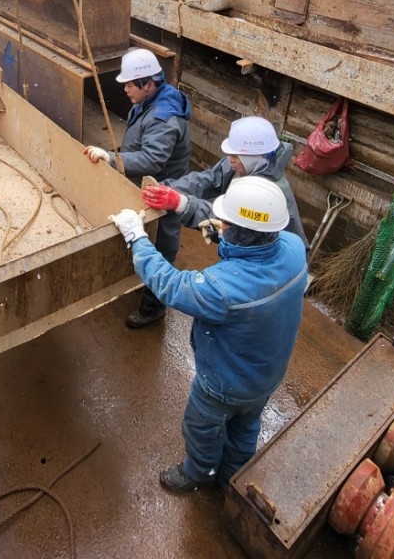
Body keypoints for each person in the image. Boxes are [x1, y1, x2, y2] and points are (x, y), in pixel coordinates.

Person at [109, 177, 307, 492]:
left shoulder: (222, 288)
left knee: (200, 427)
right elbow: (257, 252)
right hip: (267, 376)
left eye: (227, 223)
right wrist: (221, 237)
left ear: (242, 232)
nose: (222, 225)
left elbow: (169, 284)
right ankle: (234, 475)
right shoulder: (295, 249)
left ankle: (199, 472)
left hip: (224, 385)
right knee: (246, 425)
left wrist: (137, 237)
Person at [84, 47, 191, 328]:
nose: (126, 89)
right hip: (148, 183)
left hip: (164, 188)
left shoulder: (163, 117)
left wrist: (111, 158)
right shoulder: (152, 100)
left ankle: (153, 306)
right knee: (143, 233)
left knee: (163, 243)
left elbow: (153, 158)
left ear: (149, 83)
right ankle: (138, 276)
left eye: (131, 84)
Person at [140, 115, 308, 249]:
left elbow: (228, 226)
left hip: (258, 261)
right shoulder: (239, 165)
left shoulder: (264, 195)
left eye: (236, 155)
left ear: (255, 157)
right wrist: (167, 188)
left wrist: (182, 204)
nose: (230, 159)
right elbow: (208, 179)